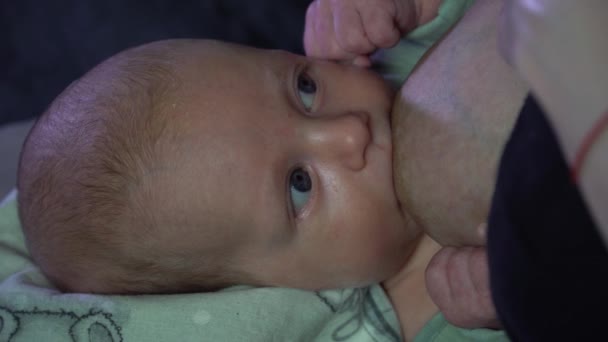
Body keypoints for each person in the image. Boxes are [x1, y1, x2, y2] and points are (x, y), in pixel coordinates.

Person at [17, 0, 514, 340]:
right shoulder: (430, 316)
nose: (349, 132)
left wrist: (410, 9)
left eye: (305, 88)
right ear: (267, 288)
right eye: (300, 185)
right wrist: (518, 298)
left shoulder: (406, 57)